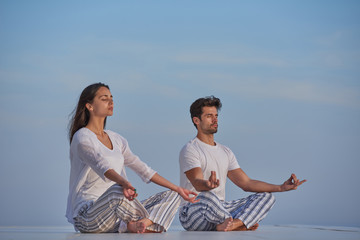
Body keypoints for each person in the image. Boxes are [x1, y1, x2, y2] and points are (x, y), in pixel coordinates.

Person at [66, 83, 198, 234]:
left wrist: (178, 189)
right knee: (117, 191)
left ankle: (136, 224)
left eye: (111, 98)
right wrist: (124, 183)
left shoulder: (117, 139)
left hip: (118, 214)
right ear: (89, 106)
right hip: (88, 216)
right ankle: (142, 223)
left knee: (173, 195)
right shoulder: (82, 137)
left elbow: (143, 170)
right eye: (104, 99)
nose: (111, 102)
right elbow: (100, 164)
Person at [179, 96, 306, 232]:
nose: (215, 119)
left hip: (221, 210)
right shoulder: (191, 149)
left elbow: (246, 183)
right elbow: (197, 181)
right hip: (194, 211)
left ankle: (233, 225)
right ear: (196, 120)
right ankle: (242, 223)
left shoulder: (225, 151)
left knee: (266, 196)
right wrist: (207, 185)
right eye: (209, 116)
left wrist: (281, 187)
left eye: (216, 115)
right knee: (207, 196)